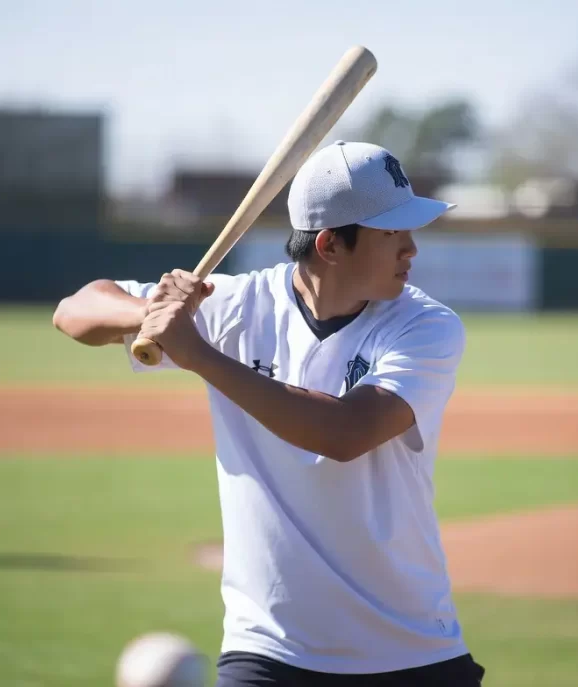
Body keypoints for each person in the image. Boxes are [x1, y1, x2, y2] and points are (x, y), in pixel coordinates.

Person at [53, 140, 485, 686]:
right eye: (392, 233)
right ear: (330, 245)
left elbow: (344, 433)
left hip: (408, 652)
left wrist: (199, 354)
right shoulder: (235, 305)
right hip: (268, 652)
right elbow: (75, 310)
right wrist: (154, 313)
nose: (411, 250)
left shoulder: (424, 326)